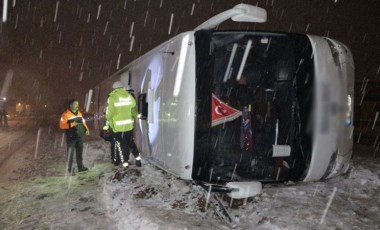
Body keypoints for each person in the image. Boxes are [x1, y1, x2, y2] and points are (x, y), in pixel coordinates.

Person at [103, 81, 141, 169]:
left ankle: (125, 164)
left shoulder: (112, 97)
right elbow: (133, 109)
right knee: (131, 143)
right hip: (128, 126)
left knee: (121, 145)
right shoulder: (129, 96)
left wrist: (107, 118)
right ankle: (138, 159)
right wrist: (138, 115)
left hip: (118, 127)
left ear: (114, 88)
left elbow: (110, 113)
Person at [59, 99, 90, 175]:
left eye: (78, 104)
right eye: (75, 104)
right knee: (70, 154)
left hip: (79, 136)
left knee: (79, 153)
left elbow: (83, 122)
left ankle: (80, 168)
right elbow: (61, 125)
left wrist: (86, 129)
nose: (77, 105)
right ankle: (70, 170)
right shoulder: (65, 114)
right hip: (71, 137)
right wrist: (73, 123)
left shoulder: (79, 113)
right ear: (71, 105)